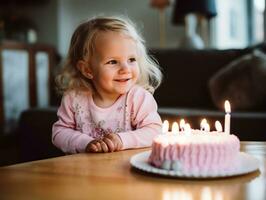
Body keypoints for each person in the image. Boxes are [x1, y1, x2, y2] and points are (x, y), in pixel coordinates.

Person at [52, 16, 163, 154]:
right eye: (112, 62)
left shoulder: (138, 98)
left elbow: (154, 131)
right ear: (87, 70)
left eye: (131, 59)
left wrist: (121, 140)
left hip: (125, 169)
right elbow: (59, 132)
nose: (125, 69)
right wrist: (86, 143)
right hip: (84, 171)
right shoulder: (74, 98)